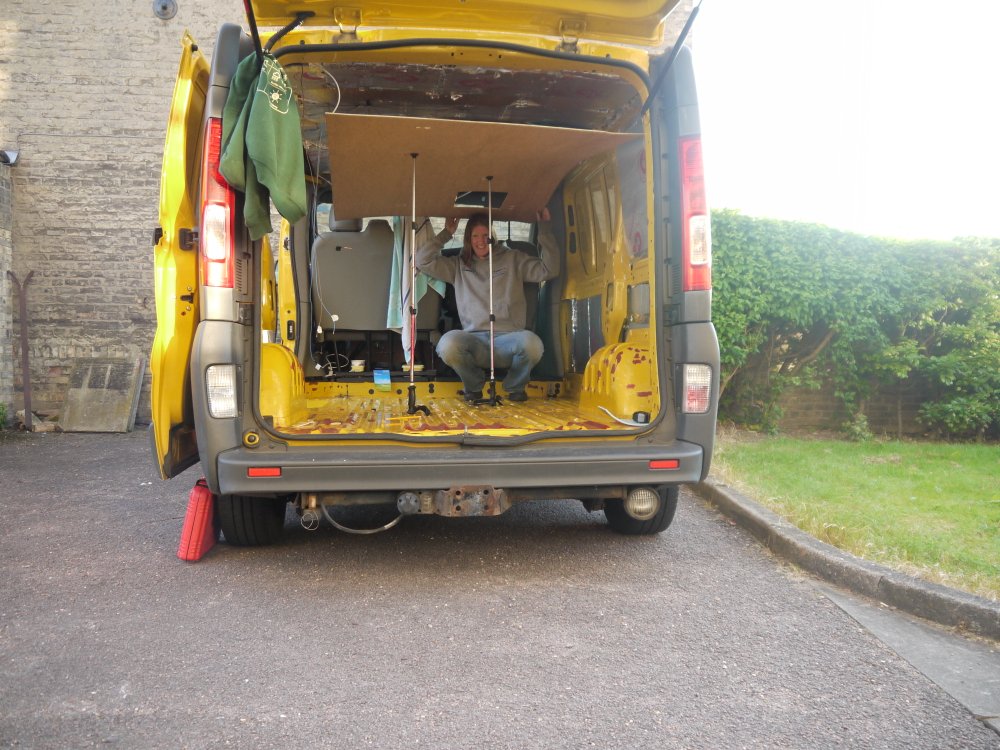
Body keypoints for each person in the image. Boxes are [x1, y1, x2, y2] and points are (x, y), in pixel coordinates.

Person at [416, 209, 560, 403]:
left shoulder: (513, 258)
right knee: (447, 344)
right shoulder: (457, 265)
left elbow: (549, 269)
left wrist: (545, 230)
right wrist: (446, 233)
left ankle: (515, 386)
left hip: (509, 340)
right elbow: (422, 261)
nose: (481, 241)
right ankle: (474, 385)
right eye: (475, 236)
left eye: (485, 235)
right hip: (474, 342)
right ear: (468, 239)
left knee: (533, 345)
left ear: (492, 236)